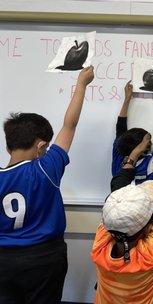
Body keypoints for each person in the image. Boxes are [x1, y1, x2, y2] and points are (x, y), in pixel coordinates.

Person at [0, 66, 94, 303]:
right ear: (42, 146)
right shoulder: (46, 168)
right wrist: (81, 84)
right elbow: (69, 126)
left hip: (4, 260)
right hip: (44, 258)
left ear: (8, 146)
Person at [92, 134, 153, 303]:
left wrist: (134, 154)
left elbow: (116, 196)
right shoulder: (150, 253)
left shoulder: (100, 246)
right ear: (148, 226)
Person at [112, 81, 153, 183]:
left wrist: (127, 99)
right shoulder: (152, 164)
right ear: (144, 148)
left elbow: (120, 127)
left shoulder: (119, 159)